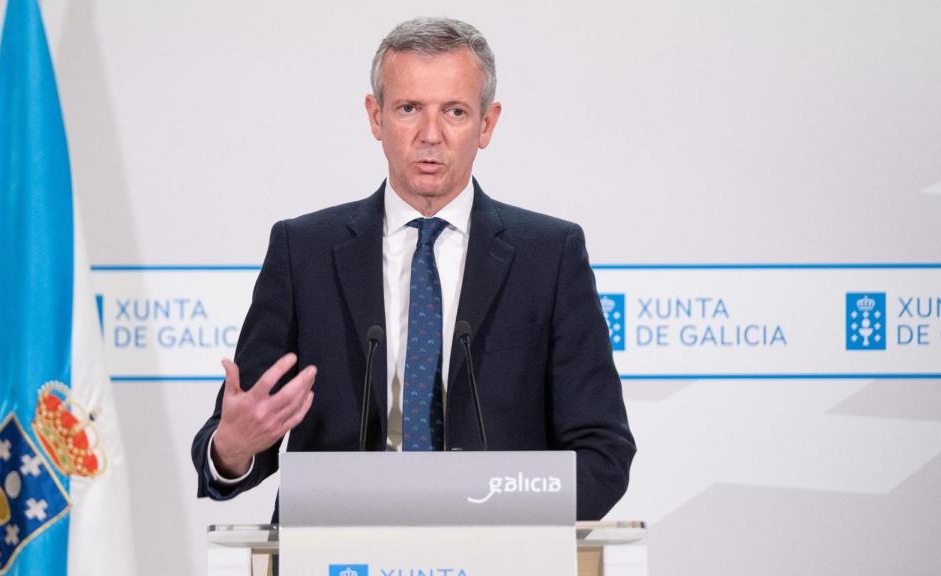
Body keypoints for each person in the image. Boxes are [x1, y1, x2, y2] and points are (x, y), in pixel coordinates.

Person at [191, 17, 635, 520]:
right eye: (408, 109)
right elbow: (234, 443)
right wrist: (233, 447)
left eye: (454, 111)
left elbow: (603, 453)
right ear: (375, 116)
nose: (431, 135)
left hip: (498, 552)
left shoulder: (550, 256)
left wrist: (506, 517)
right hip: (336, 552)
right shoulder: (304, 251)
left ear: (486, 124)